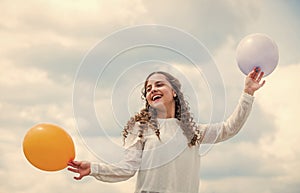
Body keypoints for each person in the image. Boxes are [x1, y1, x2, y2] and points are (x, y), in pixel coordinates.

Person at [68, 67, 265, 193]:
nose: (152, 89)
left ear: (174, 92)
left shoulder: (192, 132)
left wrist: (247, 93)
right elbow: (127, 169)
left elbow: (229, 128)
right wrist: (94, 168)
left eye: (159, 84)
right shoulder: (141, 129)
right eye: (148, 88)